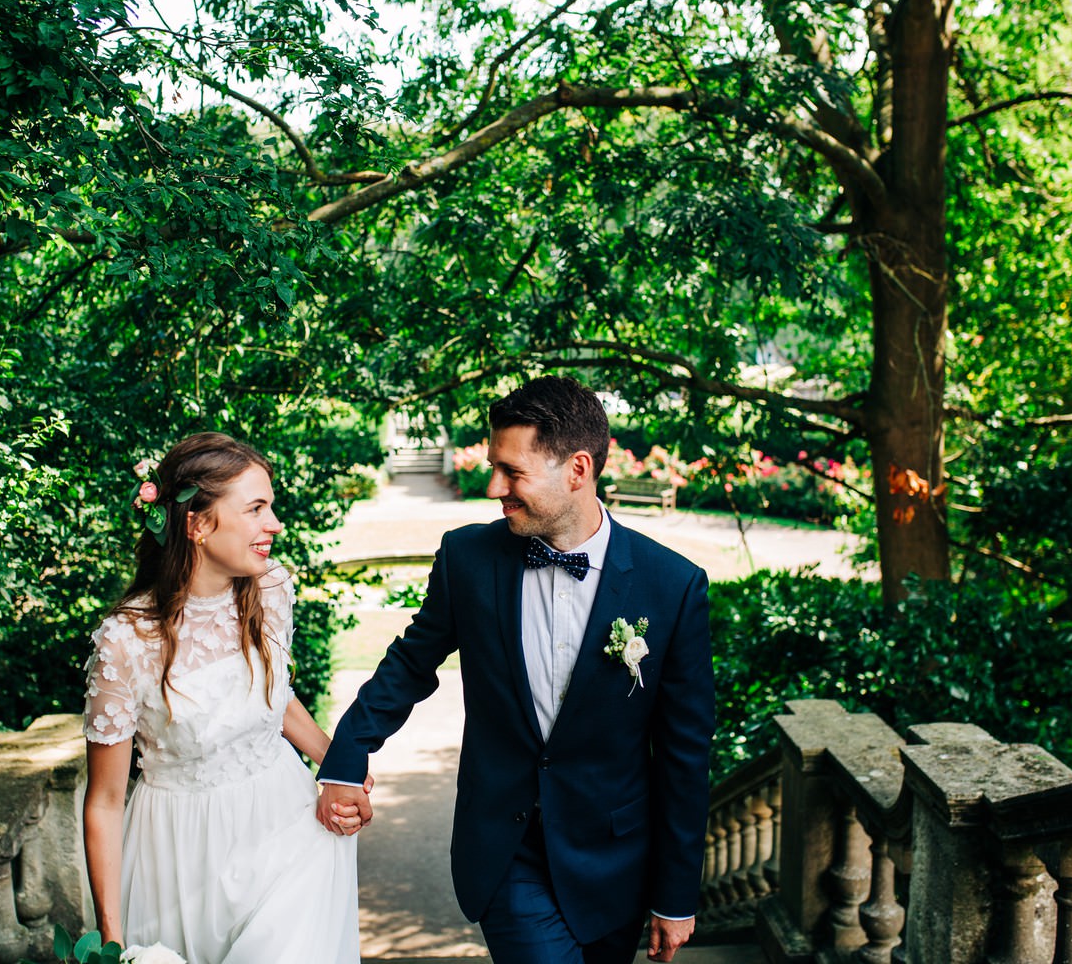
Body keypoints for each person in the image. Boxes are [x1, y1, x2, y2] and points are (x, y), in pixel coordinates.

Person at [317, 376, 714, 964]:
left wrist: (676, 895)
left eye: (512, 471)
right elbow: (409, 663)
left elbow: (684, 751)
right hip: (507, 849)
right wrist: (347, 756)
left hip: (614, 862)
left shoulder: (673, 586)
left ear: (577, 469)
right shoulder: (466, 559)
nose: (494, 486)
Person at [83, 432, 364, 963]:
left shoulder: (272, 589)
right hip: (179, 855)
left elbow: (273, 699)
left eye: (271, 507)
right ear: (198, 524)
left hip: (287, 826)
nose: (274, 525)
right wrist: (111, 938)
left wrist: (340, 765)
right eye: (256, 509)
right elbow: (104, 801)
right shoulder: (126, 642)